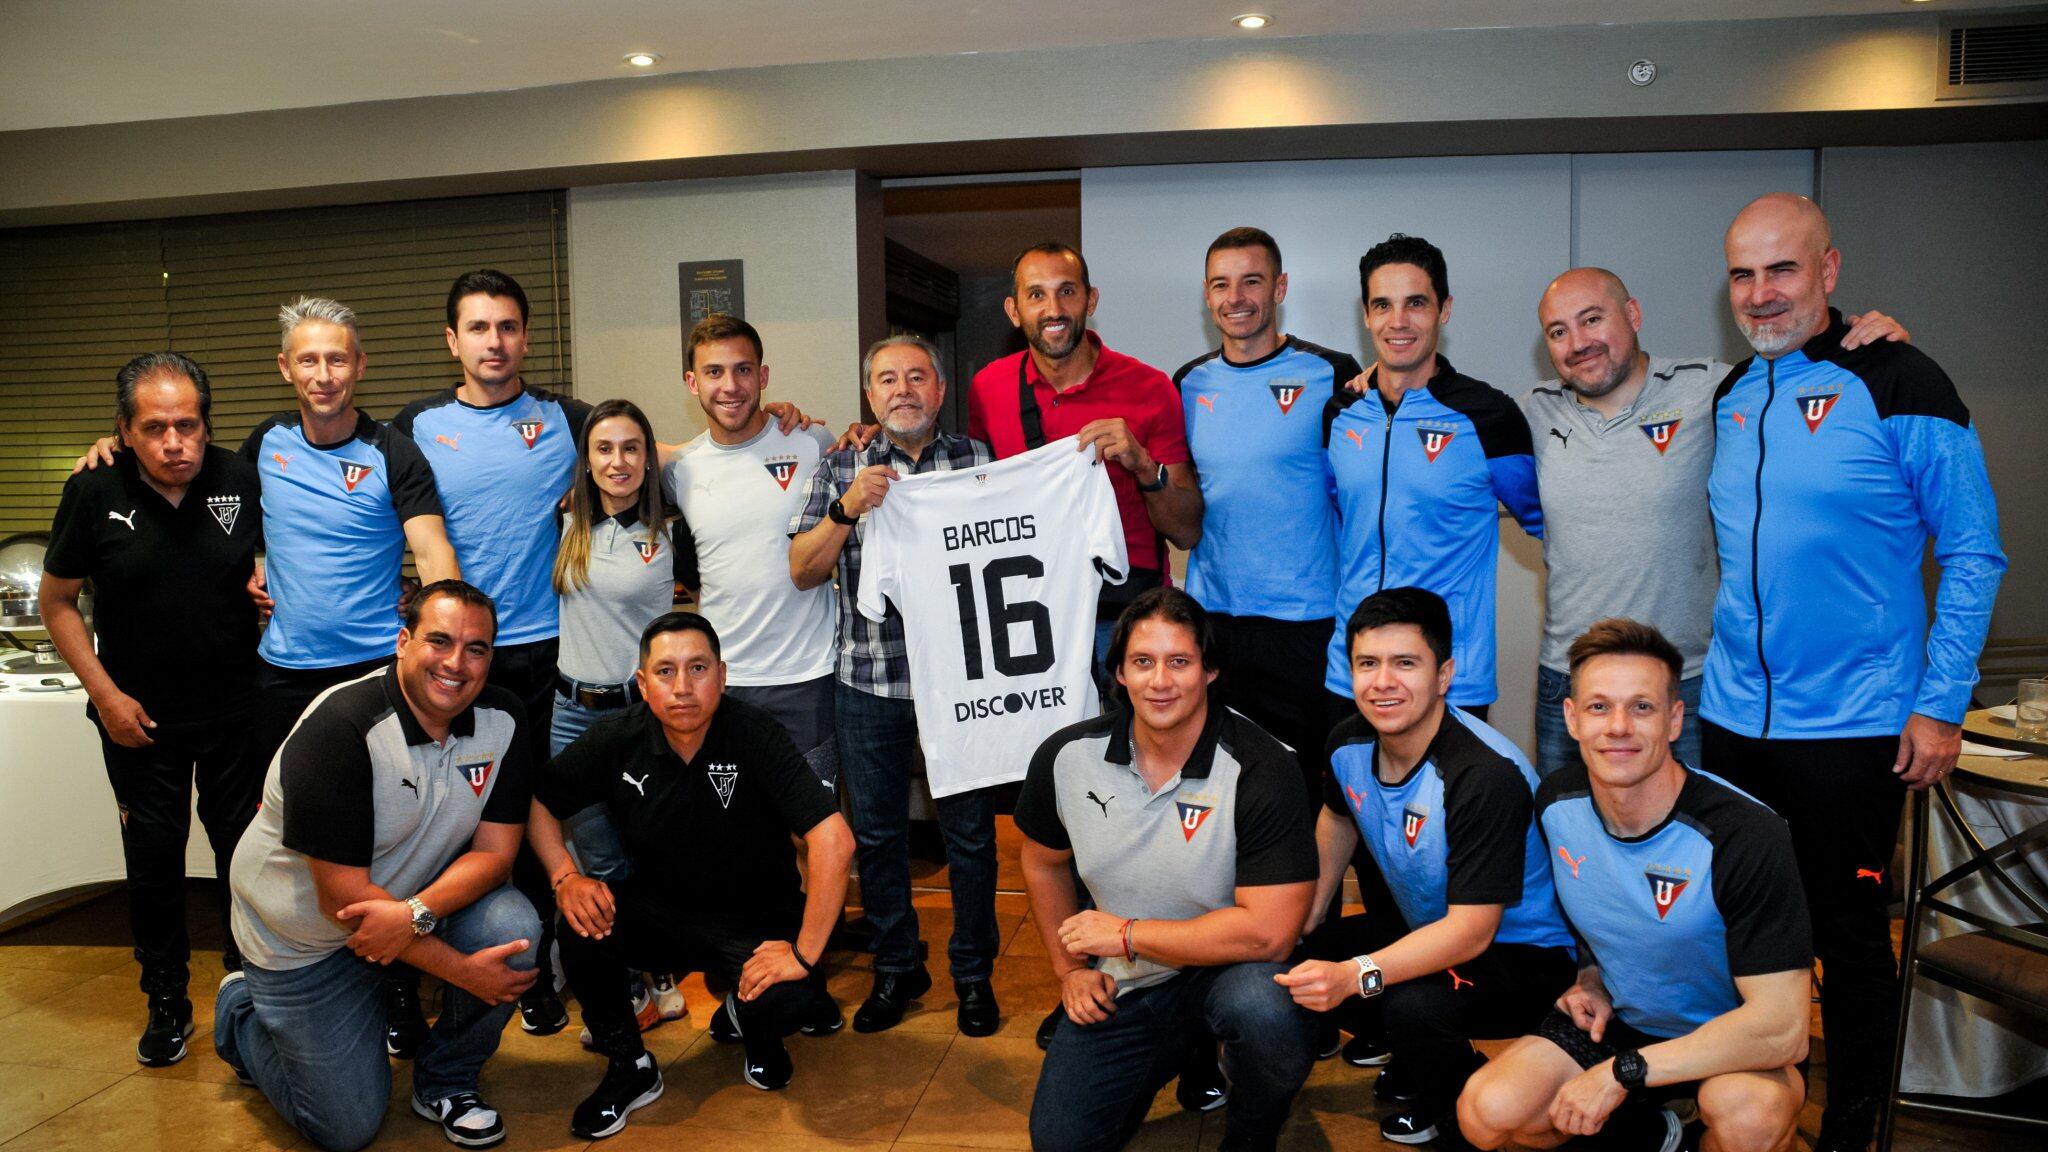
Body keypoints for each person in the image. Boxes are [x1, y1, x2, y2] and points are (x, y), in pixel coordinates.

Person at [1700, 193, 2005, 1151]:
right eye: (1743, 275)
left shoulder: (1903, 377)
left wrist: (1939, 705)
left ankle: (1856, 1121)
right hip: (1735, 721)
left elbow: (1974, 552)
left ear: (1829, 272)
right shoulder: (1734, 395)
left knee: (1846, 934)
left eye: (1782, 270)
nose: (1761, 294)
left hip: (1856, 723)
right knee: (1738, 925)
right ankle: (1748, 1101)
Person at [1522, 270, 1908, 778]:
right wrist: (1378, 386)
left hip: (1689, 680)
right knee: (1569, 841)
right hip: (1571, 681)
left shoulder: (1714, 388)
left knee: (1701, 846)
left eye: (1592, 319)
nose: (1578, 343)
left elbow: (1805, 385)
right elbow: (1449, 412)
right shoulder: (1531, 412)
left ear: (1633, 315)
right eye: (1558, 331)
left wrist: (1871, 348)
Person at [1459, 619, 1813, 1152]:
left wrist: (1620, 1073)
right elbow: (1596, 908)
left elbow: (1784, 1028)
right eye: (1599, 707)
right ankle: (1661, 1134)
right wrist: (1590, 974)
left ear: (1674, 720)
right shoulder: (1557, 803)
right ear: (1572, 719)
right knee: (1486, 1112)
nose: (1618, 726)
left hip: (1730, 1043)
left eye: (1641, 707)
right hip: (1624, 1024)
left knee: (1747, 1120)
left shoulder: (1745, 833)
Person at [214, 581, 543, 1151]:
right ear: (402, 642)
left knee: (511, 931)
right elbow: (344, 907)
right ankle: (241, 1011)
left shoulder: (503, 719)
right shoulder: (340, 726)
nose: (456, 663)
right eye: (439, 641)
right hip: (305, 937)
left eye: (476, 648)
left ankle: (446, 1082)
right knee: (345, 1129)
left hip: (404, 907)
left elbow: (495, 855)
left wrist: (416, 912)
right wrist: (463, 972)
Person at [530, 612, 856, 1136]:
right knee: (582, 923)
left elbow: (834, 840)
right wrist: (566, 876)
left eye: (698, 668)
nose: (682, 687)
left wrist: (801, 954)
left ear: (722, 677)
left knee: (793, 1000)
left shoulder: (755, 734)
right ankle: (630, 1067)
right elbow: (542, 800)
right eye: (665, 671)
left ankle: (745, 1016)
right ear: (642, 683)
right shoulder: (617, 738)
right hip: (661, 913)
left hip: (755, 922)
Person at [1017, 587, 1318, 1152]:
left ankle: (1251, 1134)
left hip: (1232, 970)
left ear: (1209, 672)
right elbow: (1040, 859)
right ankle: (1179, 1054)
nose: (1161, 681)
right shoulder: (1065, 756)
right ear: (1120, 675)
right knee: (1061, 1142)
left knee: (1264, 1013)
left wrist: (1128, 934)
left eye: (1179, 661)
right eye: (1143, 662)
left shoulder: (1264, 768)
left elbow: (1271, 932)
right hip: (1129, 982)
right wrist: (1070, 971)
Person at [1276, 587, 1578, 1147]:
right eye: (1368, 663)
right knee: (1301, 955)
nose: (1383, 681)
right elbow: (1337, 818)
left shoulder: (1481, 775)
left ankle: (1463, 1122)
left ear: (1444, 675)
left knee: (1411, 1006)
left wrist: (1355, 974)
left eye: (1405, 663)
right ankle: (1423, 1063)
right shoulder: (1348, 742)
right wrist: (1306, 916)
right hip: (1430, 929)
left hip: (1524, 954)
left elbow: (1472, 932)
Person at [40, 351, 264, 1067]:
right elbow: (57, 602)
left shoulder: (240, 477)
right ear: (124, 432)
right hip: (138, 720)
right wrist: (104, 696)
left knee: (245, 858)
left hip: (234, 710)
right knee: (155, 865)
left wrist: (267, 580)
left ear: (207, 424)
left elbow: (274, 558)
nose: (175, 443)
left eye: (189, 425)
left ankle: (247, 990)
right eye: (156, 427)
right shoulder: (91, 488)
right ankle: (167, 1002)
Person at [393, 269, 591, 1034]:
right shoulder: (413, 426)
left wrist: (782, 420)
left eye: (507, 326)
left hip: (544, 657)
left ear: (526, 336)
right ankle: (409, 983)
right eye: (478, 328)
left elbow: (653, 448)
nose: (495, 341)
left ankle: (531, 971)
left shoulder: (566, 419)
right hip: (451, 663)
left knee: (529, 815)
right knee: (431, 821)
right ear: (453, 341)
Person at [788, 335, 1002, 1036]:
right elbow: (801, 569)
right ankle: (895, 968)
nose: (903, 389)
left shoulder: (977, 462)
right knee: (878, 837)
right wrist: (846, 510)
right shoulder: (840, 464)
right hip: (868, 680)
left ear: (940, 390)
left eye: (918, 377)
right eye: (887, 379)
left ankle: (973, 977)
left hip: (960, 684)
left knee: (970, 837)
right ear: (870, 395)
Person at [1173, 226, 1362, 802]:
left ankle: (1313, 900)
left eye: (1252, 281)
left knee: (1307, 794)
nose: (1237, 297)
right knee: (1224, 796)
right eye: (1222, 284)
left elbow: (1361, 494)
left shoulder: (1333, 374)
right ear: (1207, 296)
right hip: (1215, 623)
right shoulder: (1186, 384)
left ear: (1279, 287)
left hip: (1307, 626)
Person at [1324, 234, 1540, 725]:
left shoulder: (1488, 416)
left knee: (1449, 805)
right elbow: (1339, 515)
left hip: (1449, 677)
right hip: (1351, 671)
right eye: (1383, 304)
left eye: (1415, 303)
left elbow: (1546, 518)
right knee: (1348, 803)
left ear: (1444, 309)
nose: (1398, 321)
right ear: (1366, 314)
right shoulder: (1339, 413)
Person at [968, 241, 1202, 679]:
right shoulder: (988, 387)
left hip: (1123, 619)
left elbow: (1187, 532)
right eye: (1036, 294)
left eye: (1067, 291)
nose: (1053, 308)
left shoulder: (1150, 388)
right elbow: (975, 487)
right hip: (1028, 616)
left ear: (1091, 300)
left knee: (1127, 747)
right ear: (1013, 310)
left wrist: (1144, 466)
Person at [549, 397, 695, 1029]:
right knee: (598, 854)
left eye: (632, 448)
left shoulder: (671, 528)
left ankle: (652, 967)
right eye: (604, 449)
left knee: (643, 853)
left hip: (640, 716)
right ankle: (635, 978)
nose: (618, 461)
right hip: (570, 713)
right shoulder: (564, 521)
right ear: (585, 459)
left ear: (649, 456)